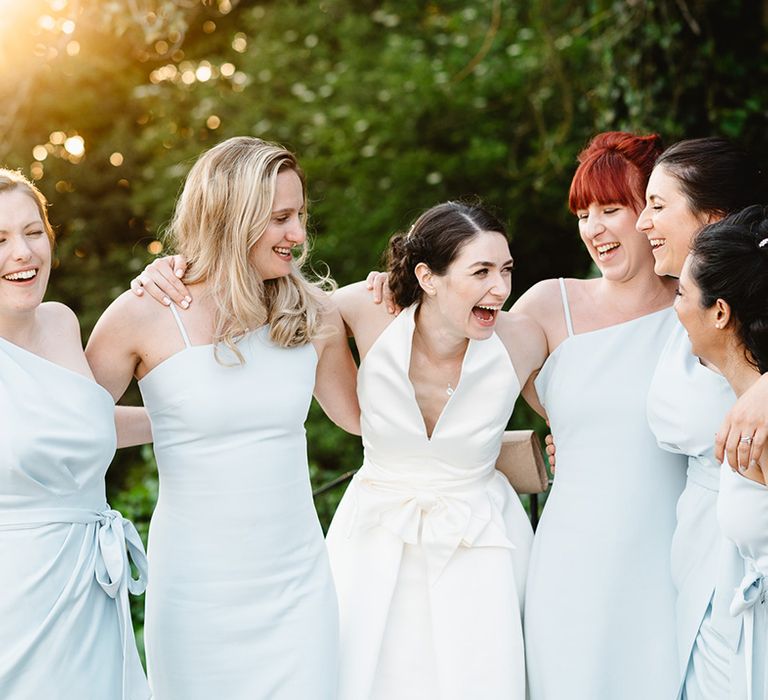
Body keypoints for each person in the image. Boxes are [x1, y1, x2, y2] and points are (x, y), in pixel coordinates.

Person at [136, 199, 547, 699]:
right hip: (374, 537)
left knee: (480, 675)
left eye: (506, 270)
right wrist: (177, 270)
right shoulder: (360, 309)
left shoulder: (524, 338)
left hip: (482, 544)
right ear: (428, 277)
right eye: (481, 271)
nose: (501, 289)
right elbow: (253, 296)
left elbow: (578, 414)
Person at [85, 137, 360, 700]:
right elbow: (70, 428)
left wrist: (388, 312)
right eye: (281, 218)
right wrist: (170, 424)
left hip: (297, 585)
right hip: (194, 591)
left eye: (301, 216)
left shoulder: (314, 314)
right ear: (230, 217)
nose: (300, 235)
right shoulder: (142, 313)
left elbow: (363, 421)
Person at [514, 132, 688, 700]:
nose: (594, 228)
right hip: (575, 557)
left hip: (675, 557)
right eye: (584, 213)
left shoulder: (701, 305)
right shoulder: (549, 304)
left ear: (651, 213)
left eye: (612, 209)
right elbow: (459, 392)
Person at [0, 169, 150, 699]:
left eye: (32, 231)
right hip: (14, 595)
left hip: (91, 585)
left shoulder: (61, 321)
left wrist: (183, 421)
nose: (22, 252)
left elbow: (75, 431)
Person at [637, 137, 766, 699]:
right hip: (696, 539)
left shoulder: (735, 315)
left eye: (659, 205)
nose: (644, 222)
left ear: (713, 218)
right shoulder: (678, 314)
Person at [676, 205, 768, 700]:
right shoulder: (744, 408)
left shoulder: (761, 427)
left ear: (720, 312)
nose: (674, 309)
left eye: (680, 294)